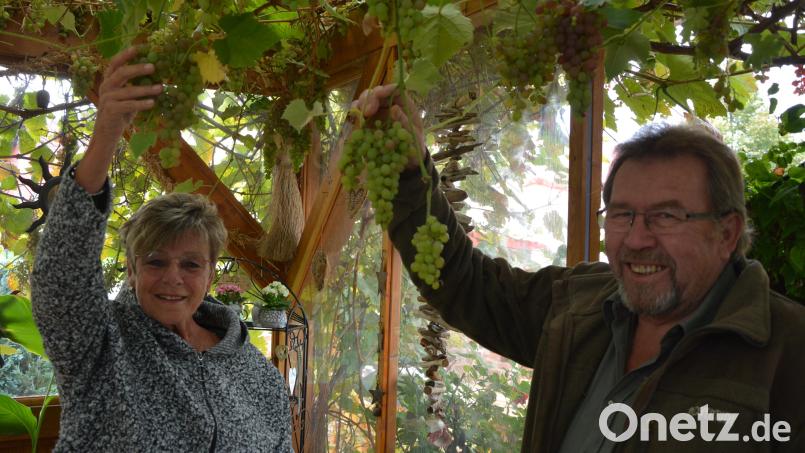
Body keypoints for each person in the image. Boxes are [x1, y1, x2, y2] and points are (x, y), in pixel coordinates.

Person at [355, 84, 805, 451]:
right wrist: (410, 174)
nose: (636, 239)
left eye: (666, 216)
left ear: (727, 233)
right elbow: (463, 283)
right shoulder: (578, 306)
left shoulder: (788, 350)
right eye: (622, 214)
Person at [30, 48, 292, 452]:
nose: (173, 277)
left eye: (190, 264)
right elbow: (60, 276)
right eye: (155, 261)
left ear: (210, 273)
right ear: (132, 270)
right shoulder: (98, 344)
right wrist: (107, 133)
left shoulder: (259, 377)